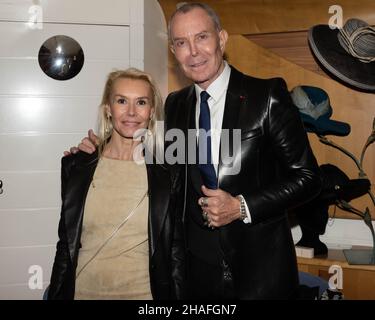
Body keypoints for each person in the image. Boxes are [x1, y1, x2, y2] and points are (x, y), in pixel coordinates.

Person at [75, 3, 322, 299]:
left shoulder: (266, 96)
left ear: (222, 39)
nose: (193, 51)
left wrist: (242, 206)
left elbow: (308, 178)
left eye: (202, 37)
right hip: (195, 276)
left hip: (260, 274)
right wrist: (97, 152)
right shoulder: (176, 104)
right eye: (181, 43)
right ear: (173, 51)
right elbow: (156, 159)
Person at [48, 68, 185, 300]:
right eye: (122, 101)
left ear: (151, 111)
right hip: (82, 292)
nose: (131, 112)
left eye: (141, 102)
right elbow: (66, 244)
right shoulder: (76, 167)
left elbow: (175, 251)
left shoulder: (169, 173)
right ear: (108, 109)